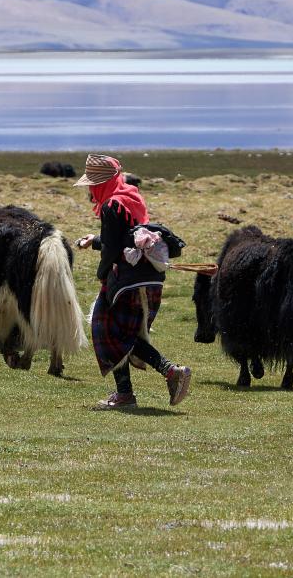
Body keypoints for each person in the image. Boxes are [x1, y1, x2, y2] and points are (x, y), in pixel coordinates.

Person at [74, 153, 191, 410]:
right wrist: (95, 240)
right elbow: (126, 237)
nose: (91, 191)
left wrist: (102, 273)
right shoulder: (130, 196)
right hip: (149, 277)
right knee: (125, 333)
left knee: (108, 329)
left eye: (92, 184)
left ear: (100, 183)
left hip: (126, 279)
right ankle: (133, 390)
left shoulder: (111, 206)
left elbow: (113, 248)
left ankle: (165, 375)